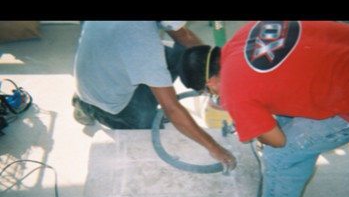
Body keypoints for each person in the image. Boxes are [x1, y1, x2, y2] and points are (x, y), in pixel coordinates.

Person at [179, 20, 349, 197]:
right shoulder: (247, 31)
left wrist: (256, 127)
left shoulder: (234, 91)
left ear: (209, 83)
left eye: (210, 93)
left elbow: (278, 141)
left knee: (281, 159)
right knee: (286, 121)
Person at [73, 21, 236, 172]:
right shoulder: (144, 45)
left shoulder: (142, 45)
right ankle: (86, 107)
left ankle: (86, 97)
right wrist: (215, 148)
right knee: (147, 128)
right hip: (106, 96)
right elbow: (172, 110)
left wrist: (214, 68)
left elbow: (184, 36)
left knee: (180, 53)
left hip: (106, 63)